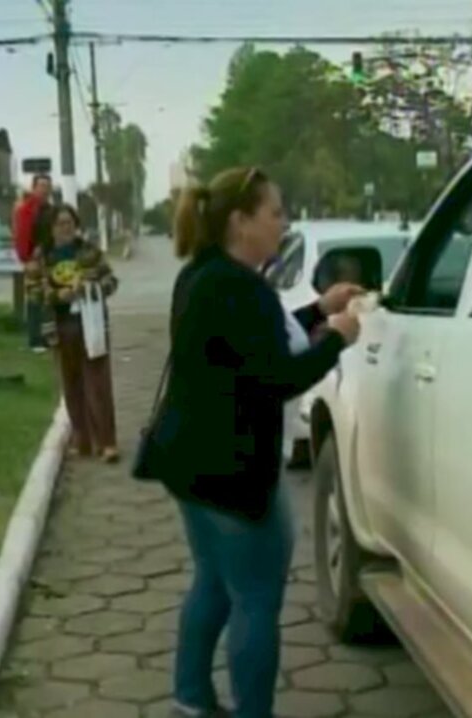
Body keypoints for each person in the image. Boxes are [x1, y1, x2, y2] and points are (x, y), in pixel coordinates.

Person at [157, 166, 361, 718]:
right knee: (255, 598)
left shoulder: (207, 275)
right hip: (233, 469)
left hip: (191, 463)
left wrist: (319, 310)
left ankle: (191, 698)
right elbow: (278, 376)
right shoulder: (237, 286)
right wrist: (338, 338)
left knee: (215, 584)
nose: (283, 223)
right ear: (241, 221)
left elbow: (252, 341)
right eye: (275, 212)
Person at [25, 203, 120, 463]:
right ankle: (83, 440)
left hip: (91, 325)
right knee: (71, 384)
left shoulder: (89, 251)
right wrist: (58, 295)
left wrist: (91, 287)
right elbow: (32, 289)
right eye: (60, 224)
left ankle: (107, 442)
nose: (66, 228)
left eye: (70, 223)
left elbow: (111, 282)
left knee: (98, 383)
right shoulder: (42, 257)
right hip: (59, 326)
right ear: (51, 227)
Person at [13, 174, 53, 352]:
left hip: (49, 258)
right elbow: (21, 235)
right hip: (33, 260)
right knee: (35, 299)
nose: (45, 189)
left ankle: (47, 337)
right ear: (34, 187)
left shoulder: (50, 209)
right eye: (41, 186)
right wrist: (26, 257)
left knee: (49, 299)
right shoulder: (27, 209)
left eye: (47, 186)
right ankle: (34, 339)